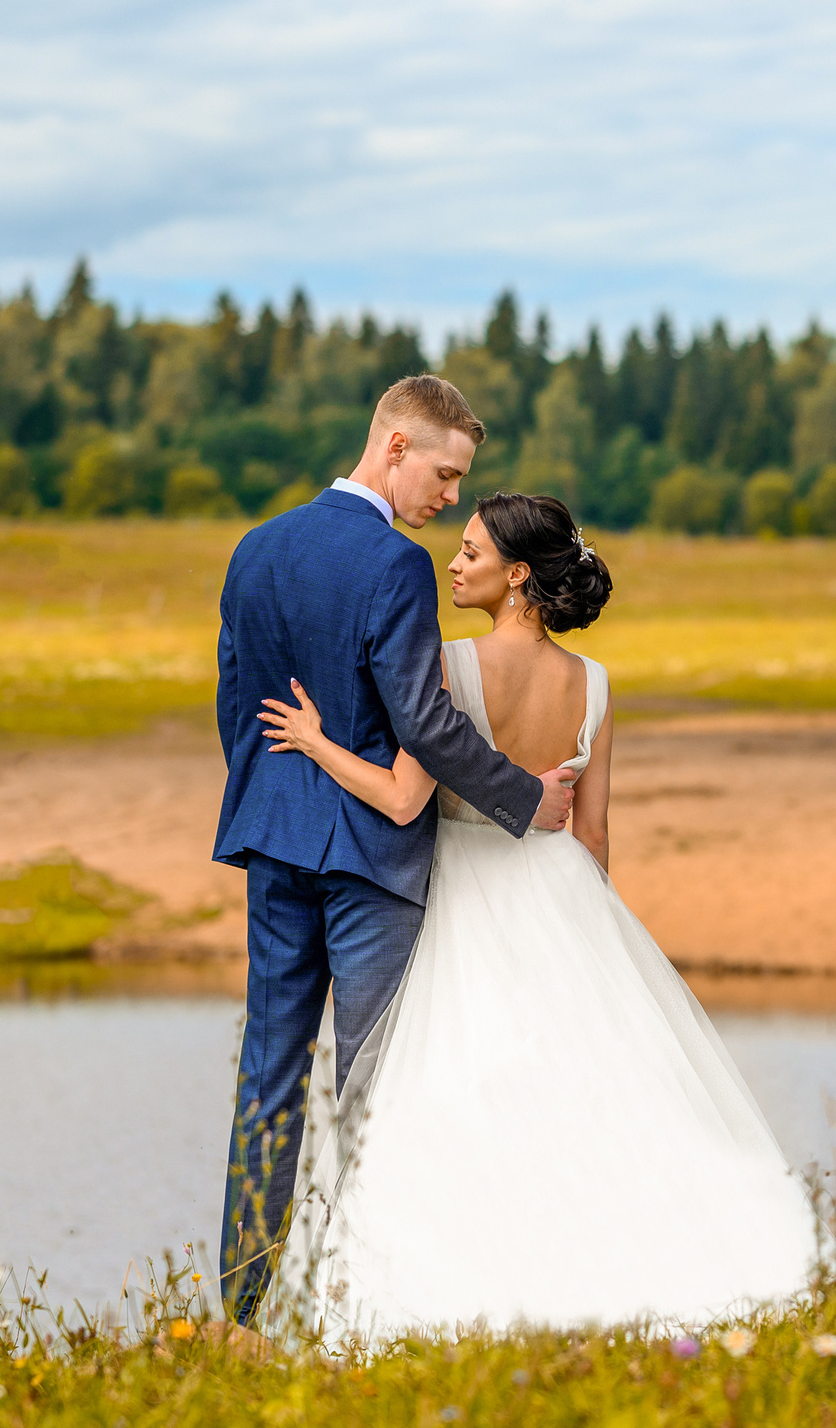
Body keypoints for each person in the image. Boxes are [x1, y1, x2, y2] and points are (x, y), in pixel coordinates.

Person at [258, 491, 818, 1336]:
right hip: (563, 898)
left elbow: (407, 801)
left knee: (454, 1091)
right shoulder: (593, 684)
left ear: (517, 575)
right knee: (582, 1094)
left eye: (472, 550)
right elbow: (592, 837)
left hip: (468, 889)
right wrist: (592, 944)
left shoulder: (446, 665)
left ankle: (446, 1293)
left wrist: (314, 740)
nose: (453, 560)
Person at [212, 376, 579, 1328]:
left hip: (275, 844)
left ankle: (243, 1315)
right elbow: (423, 719)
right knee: (374, 1082)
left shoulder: (256, 550)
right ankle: (358, 1312)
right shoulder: (395, 565)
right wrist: (522, 795)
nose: (451, 498)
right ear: (396, 446)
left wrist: (276, 800)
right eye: (448, 475)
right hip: (373, 860)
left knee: (269, 1076)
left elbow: (236, 706)